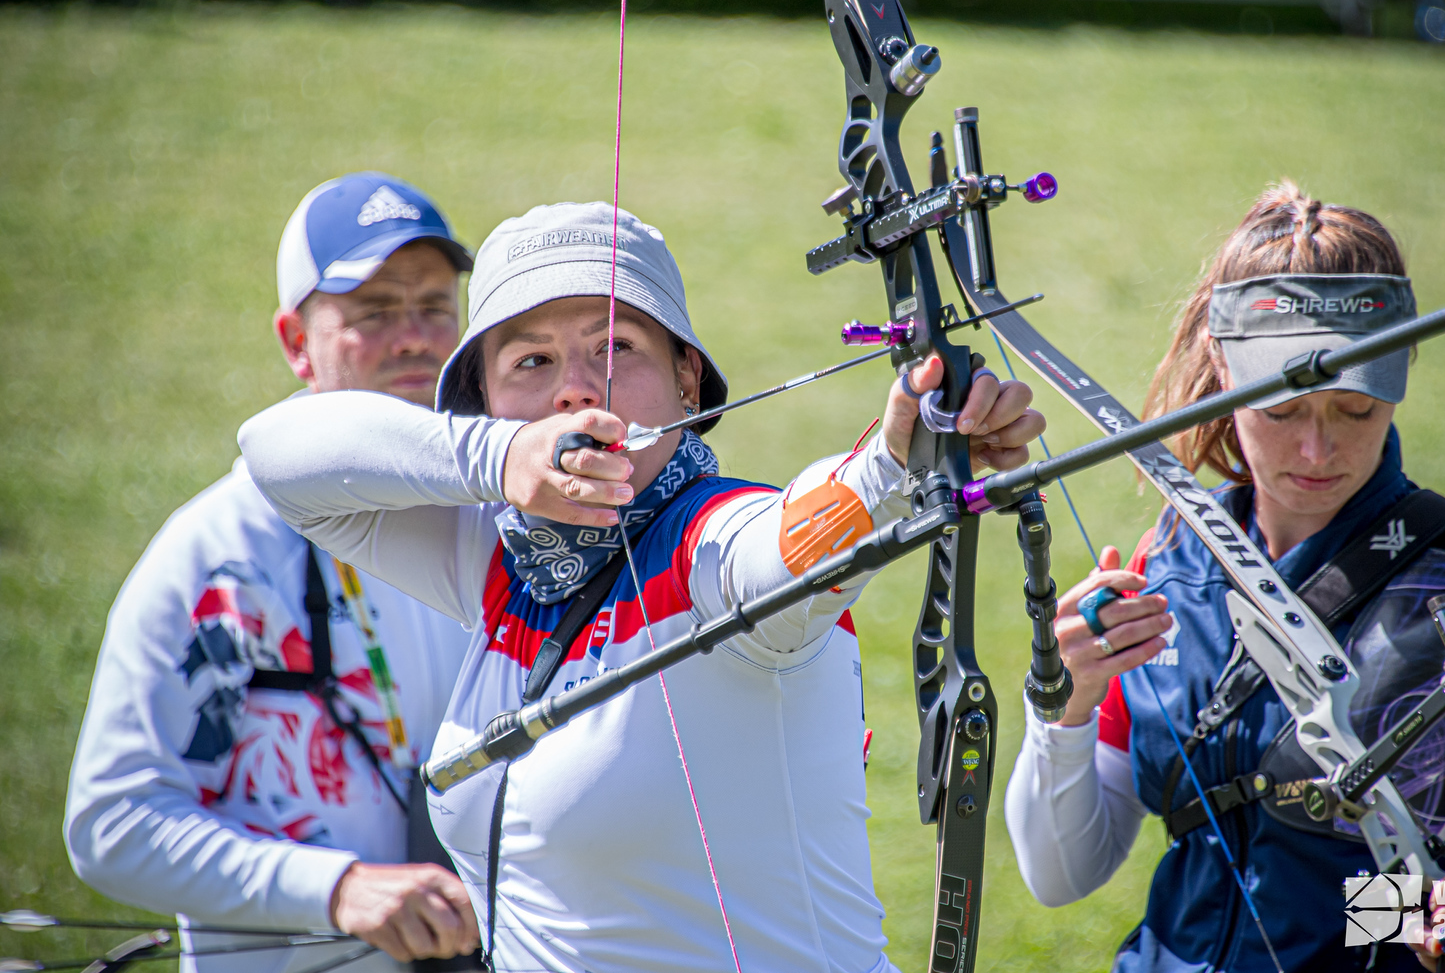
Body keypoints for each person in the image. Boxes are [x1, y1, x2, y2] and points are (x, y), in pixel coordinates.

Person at [238, 200, 1046, 973]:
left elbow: (786, 547)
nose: (576, 389)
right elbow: (275, 454)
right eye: (531, 361)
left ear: (687, 379)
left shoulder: (713, 544)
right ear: (484, 401)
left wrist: (893, 468)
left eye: (615, 347)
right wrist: (496, 459)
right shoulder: (498, 560)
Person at [1004, 183, 1445, 973]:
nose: (1318, 452)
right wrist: (1065, 704)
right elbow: (1060, 873)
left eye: (1356, 410)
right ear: (1225, 369)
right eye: (1282, 412)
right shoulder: (1168, 562)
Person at [66, 172, 485, 973]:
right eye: (373, 311)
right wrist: (337, 887)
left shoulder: (487, 528)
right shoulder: (218, 556)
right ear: (296, 341)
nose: (415, 336)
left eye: (435, 306)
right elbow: (113, 822)